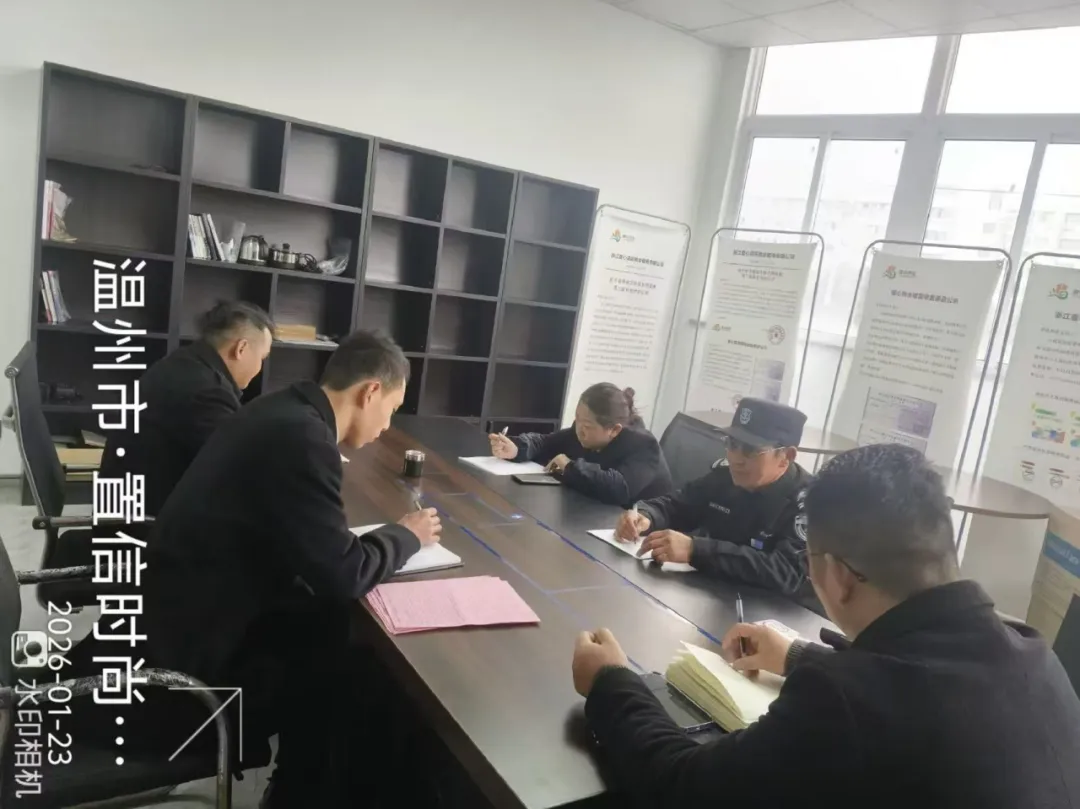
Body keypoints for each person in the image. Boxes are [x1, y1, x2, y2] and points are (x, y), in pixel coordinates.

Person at [571, 444, 1080, 808]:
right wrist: (796, 655)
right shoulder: (1035, 654)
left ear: (836, 575)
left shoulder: (842, 699)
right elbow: (914, 682)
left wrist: (612, 681)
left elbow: (684, 787)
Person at [129, 329, 442, 808]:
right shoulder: (303, 439)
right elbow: (344, 574)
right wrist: (407, 536)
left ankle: (302, 786)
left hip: (178, 617)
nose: (387, 425)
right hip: (191, 669)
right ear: (370, 391)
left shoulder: (281, 410)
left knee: (335, 634)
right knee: (365, 676)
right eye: (392, 408)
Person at [614, 397, 810, 597]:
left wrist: (696, 550)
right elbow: (678, 505)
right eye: (732, 443)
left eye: (751, 450)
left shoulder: (809, 503)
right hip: (711, 593)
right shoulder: (726, 476)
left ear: (786, 456)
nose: (735, 458)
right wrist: (646, 516)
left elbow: (785, 570)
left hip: (767, 607)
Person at [98, 300, 274, 517]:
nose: (260, 367)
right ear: (241, 349)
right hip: (148, 524)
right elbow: (237, 468)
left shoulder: (182, 364)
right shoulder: (206, 391)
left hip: (126, 512)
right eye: (262, 358)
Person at [487, 383, 673, 505]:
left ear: (614, 430)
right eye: (577, 419)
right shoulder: (582, 429)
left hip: (638, 534)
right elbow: (547, 442)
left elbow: (619, 488)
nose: (579, 430)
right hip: (592, 514)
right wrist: (517, 448)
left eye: (587, 426)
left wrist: (569, 466)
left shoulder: (644, 446)